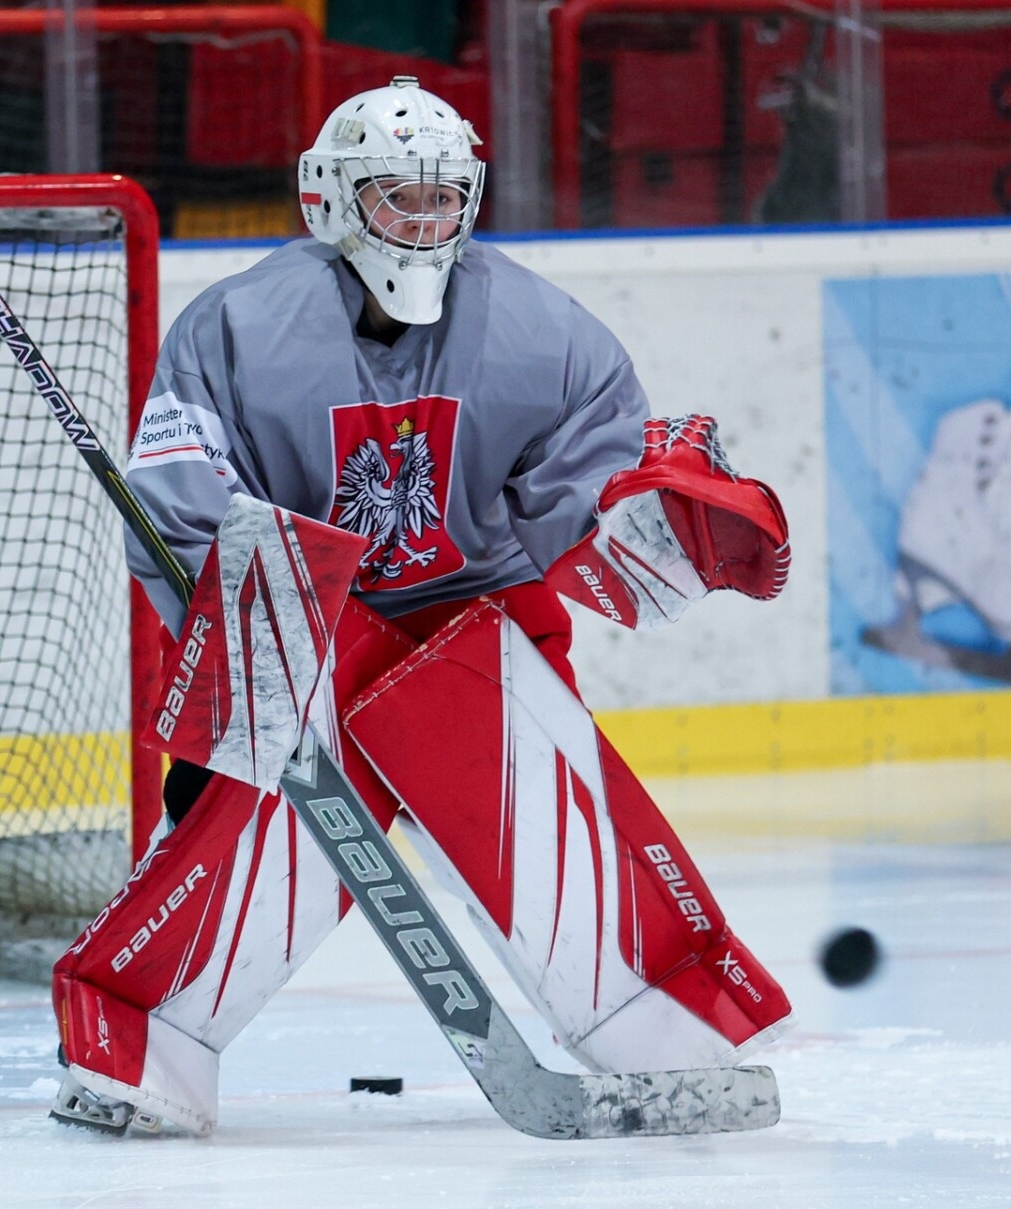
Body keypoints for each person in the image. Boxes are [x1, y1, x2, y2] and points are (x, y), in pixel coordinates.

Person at [50, 76, 795, 1136]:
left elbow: (580, 503)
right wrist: (255, 637)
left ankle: (664, 1020)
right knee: (243, 834)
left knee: (547, 810)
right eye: (400, 196)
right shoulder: (236, 327)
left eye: (445, 198)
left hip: (472, 625)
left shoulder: (544, 331)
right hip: (303, 624)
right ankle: (140, 1033)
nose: (426, 220)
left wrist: (638, 522)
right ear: (331, 199)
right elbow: (179, 498)